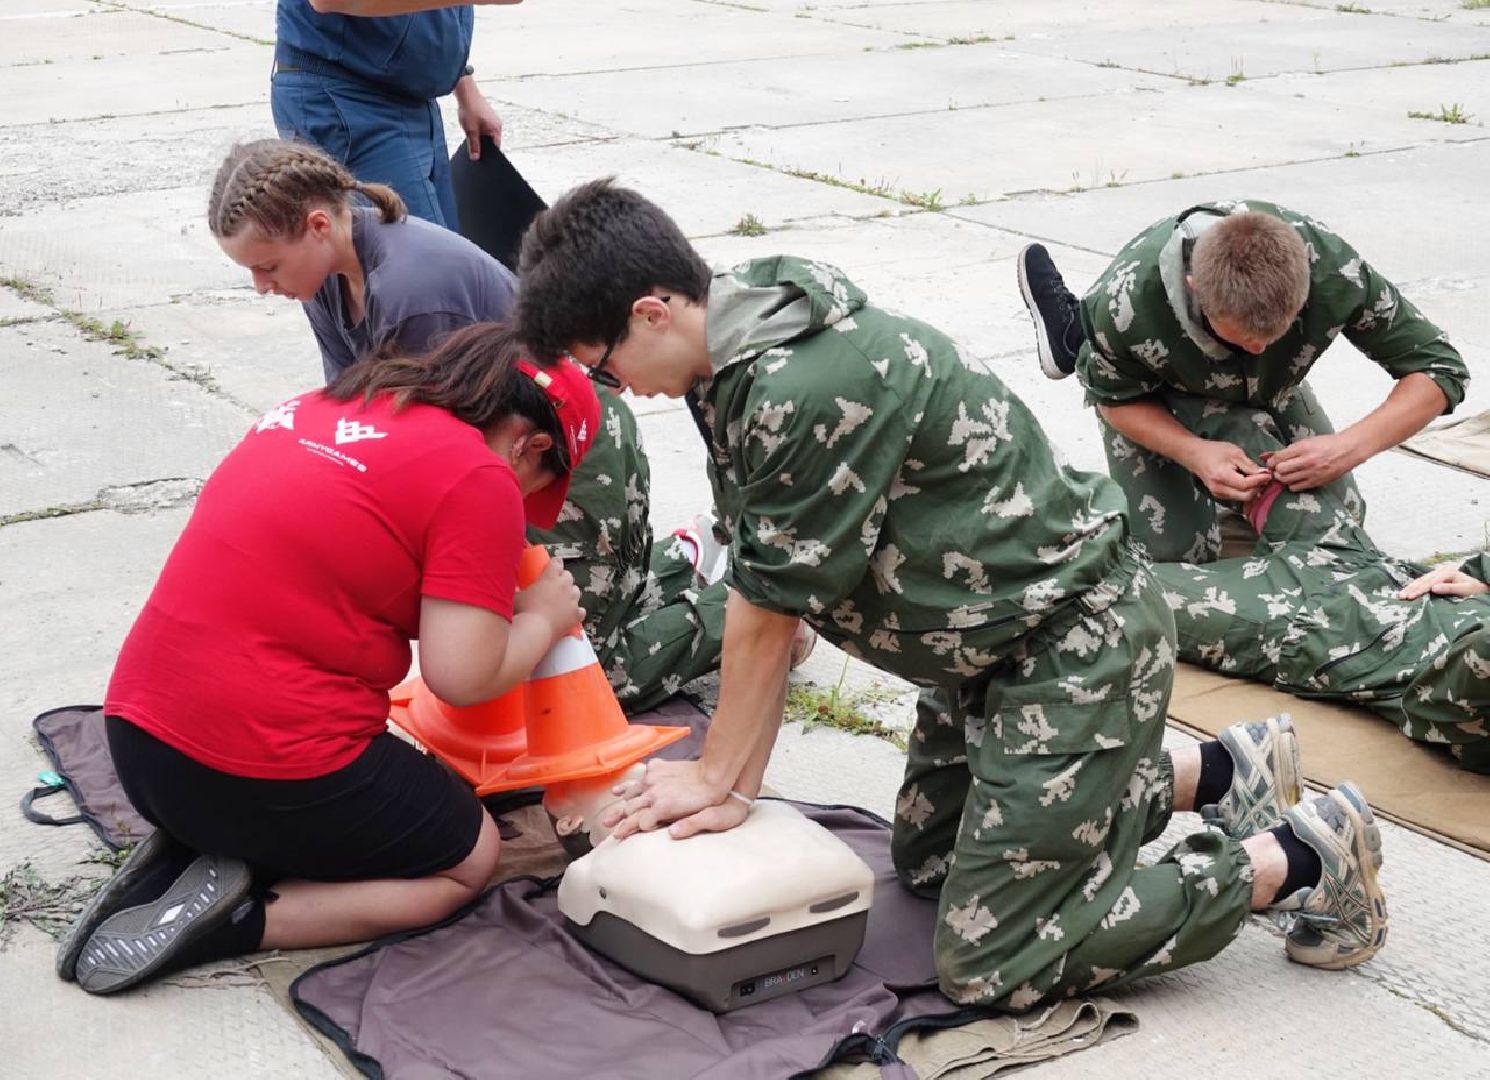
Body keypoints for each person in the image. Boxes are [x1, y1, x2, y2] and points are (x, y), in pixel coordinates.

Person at [514, 179, 1390, 1009]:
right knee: (932, 871)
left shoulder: (799, 384)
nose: (623, 392)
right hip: (984, 658)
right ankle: (1221, 771)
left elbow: (766, 615)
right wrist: (725, 782)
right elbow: (760, 572)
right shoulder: (730, 352)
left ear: (652, 311)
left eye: (611, 368)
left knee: (991, 959)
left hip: (1073, 646)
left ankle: (1301, 858)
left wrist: (720, 782)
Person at [57, 325, 598, 995]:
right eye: (533, 484)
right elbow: (461, 677)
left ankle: (199, 855)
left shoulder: (322, 404)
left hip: (140, 745)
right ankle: (236, 921)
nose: (519, 503)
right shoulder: (478, 474)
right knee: (467, 856)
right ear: (532, 445)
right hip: (256, 768)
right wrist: (544, 617)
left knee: (375, 792)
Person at [208, 137, 726, 711]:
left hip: (564, 451)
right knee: (523, 634)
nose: (261, 285)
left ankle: (739, 610)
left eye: (267, 266)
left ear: (319, 225)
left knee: (578, 673)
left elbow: (443, 468)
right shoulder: (324, 281)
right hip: (504, 450)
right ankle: (683, 560)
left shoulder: (414, 293)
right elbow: (358, 412)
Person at [1016, 201, 1469, 563]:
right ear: (1195, 288)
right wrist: (1194, 453)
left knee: (1340, 523)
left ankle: (1077, 338)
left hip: (1270, 387)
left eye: (1273, 336)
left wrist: (1349, 447)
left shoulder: (1333, 271)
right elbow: (1114, 399)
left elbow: (1439, 369)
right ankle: (1075, 337)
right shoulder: (1128, 305)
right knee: (1175, 555)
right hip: (1157, 386)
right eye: (1243, 337)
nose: (1257, 349)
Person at [1153, 477, 1490, 773]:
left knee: (1118, 590)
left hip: (1299, 624)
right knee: (1239, 435)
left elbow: (1449, 693)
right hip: (1359, 558)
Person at [271, 0, 517, 229]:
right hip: (347, 99)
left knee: (447, 256)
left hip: (406, 89)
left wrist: (465, 86)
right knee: (417, 262)